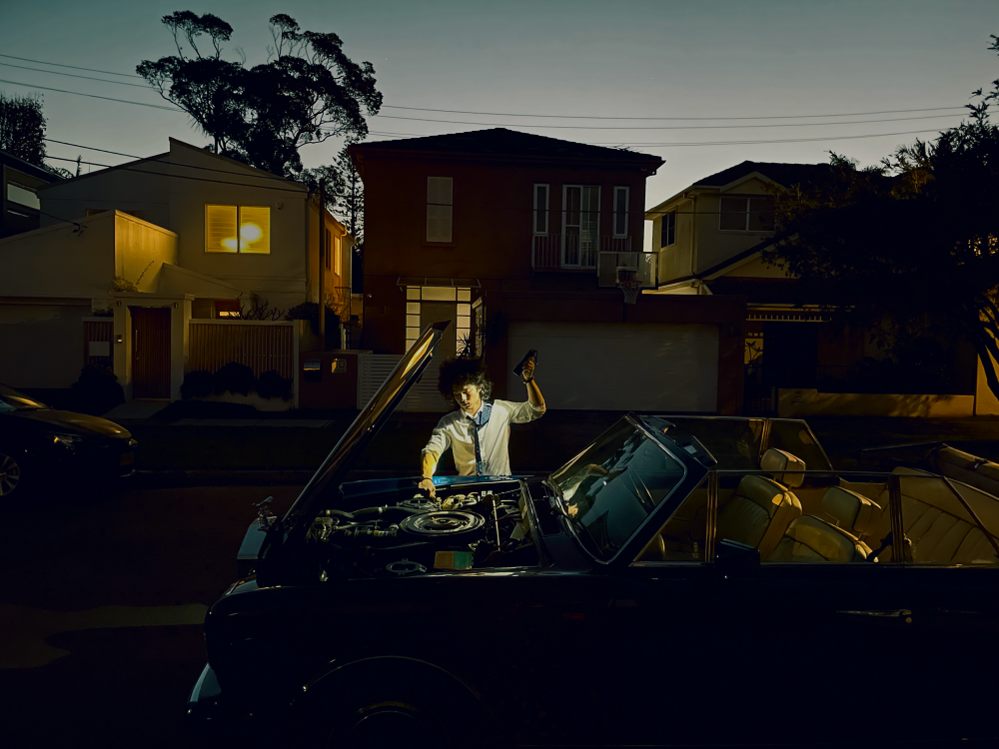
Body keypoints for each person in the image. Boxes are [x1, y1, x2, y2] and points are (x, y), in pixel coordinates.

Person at [417, 356, 545, 498]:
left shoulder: (501, 410)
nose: (463, 399)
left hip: (503, 490)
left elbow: (536, 409)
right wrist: (427, 477)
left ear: (479, 387)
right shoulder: (449, 422)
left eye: (466, 392)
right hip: (467, 493)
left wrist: (528, 379)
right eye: (457, 394)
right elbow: (432, 450)